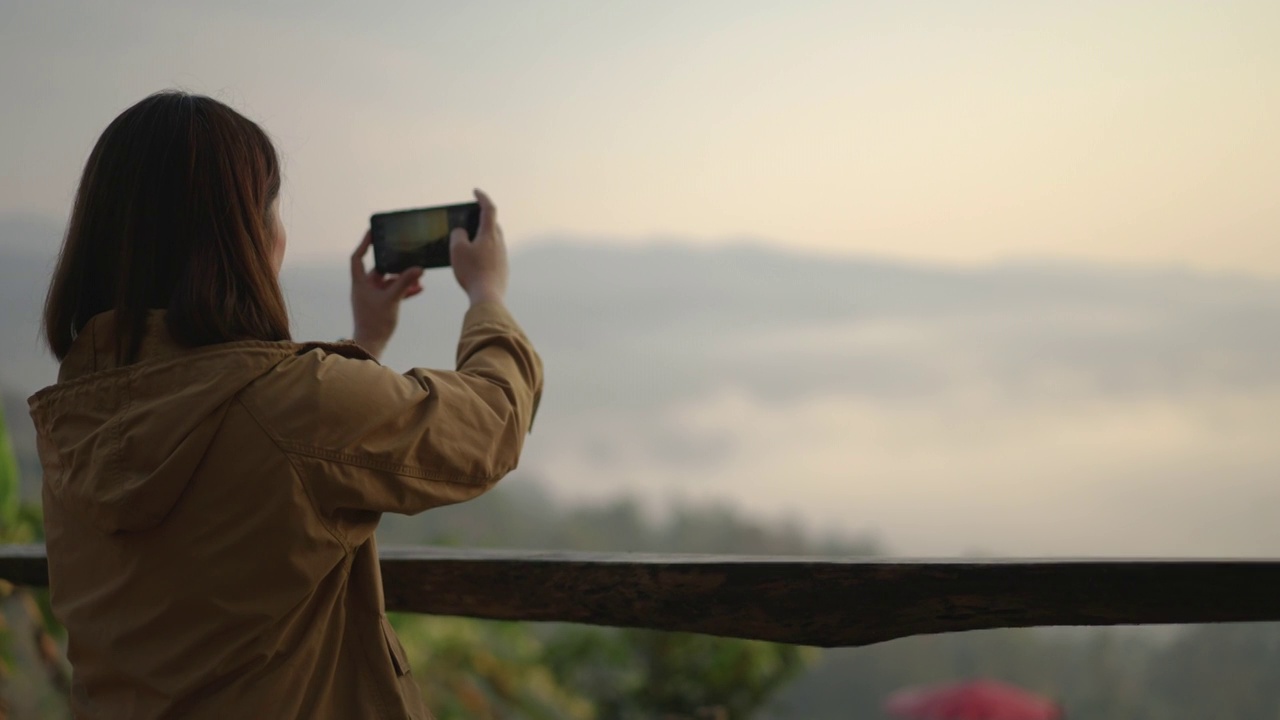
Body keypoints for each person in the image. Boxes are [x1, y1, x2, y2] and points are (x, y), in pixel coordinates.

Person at [26, 91, 542, 719]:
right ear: (246, 239)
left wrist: (363, 343)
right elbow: (493, 423)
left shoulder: (76, 421)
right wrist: (487, 294)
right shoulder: (297, 405)